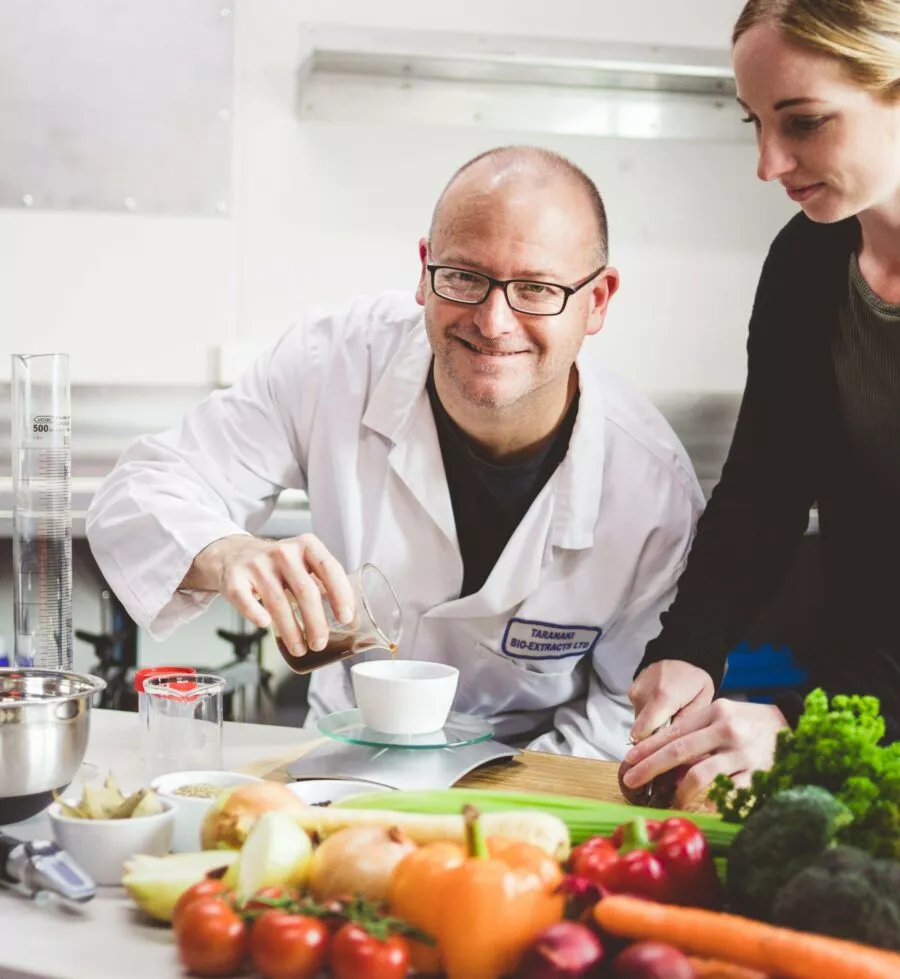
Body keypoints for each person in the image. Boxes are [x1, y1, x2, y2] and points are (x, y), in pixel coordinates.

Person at [85, 145, 703, 760]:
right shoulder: (331, 364)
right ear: (424, 269)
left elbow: (631, 711)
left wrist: (479, 807)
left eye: (536, 289)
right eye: (463, 276)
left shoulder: (653, 490)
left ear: (597, 300)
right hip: (336, 769)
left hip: (531, 790)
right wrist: (228, 553)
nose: (493, 321)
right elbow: (136, 494)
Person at [625, 0, 900, 807]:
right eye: (753, 122)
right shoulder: (811, 254)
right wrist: (689, 649)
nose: (767, 164)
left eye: (804, 122)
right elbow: (764, 487)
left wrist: (799, 719)